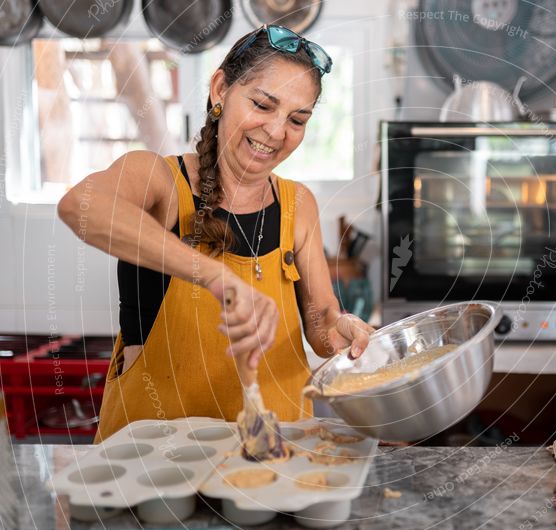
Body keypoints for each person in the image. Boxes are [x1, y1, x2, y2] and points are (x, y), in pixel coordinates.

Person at [58, 25, 374, 443]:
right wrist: (214, 276)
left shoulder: (299, 206)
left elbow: (321, 322)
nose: (277, 132)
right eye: (263, 104)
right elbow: (80, 206)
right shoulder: (160, 180)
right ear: (221, 88)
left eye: (298, 119)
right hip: (155, 459)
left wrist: (343, 330)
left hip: (274, 451)